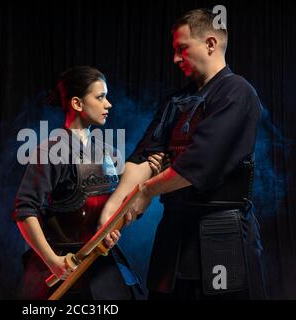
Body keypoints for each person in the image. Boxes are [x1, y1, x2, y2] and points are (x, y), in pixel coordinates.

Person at [99, 9, 266, 300]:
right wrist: (111, 213)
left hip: (220, 234)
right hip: (174, 237)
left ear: (211, 44)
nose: (175, 59)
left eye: (182, 49)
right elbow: (142, 157)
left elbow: (198, 164)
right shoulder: (175, 101)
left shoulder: (238, 93)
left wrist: (146, 191)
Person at [12, 66, 165, 299]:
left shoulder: (108, 153)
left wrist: (153, 178)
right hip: (63, 267)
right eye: (100, 97)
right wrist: (52, 260)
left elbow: (123, 208)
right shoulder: (49, 152)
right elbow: (24, 211)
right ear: (77, 103)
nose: (108, 104)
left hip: (102, 265)